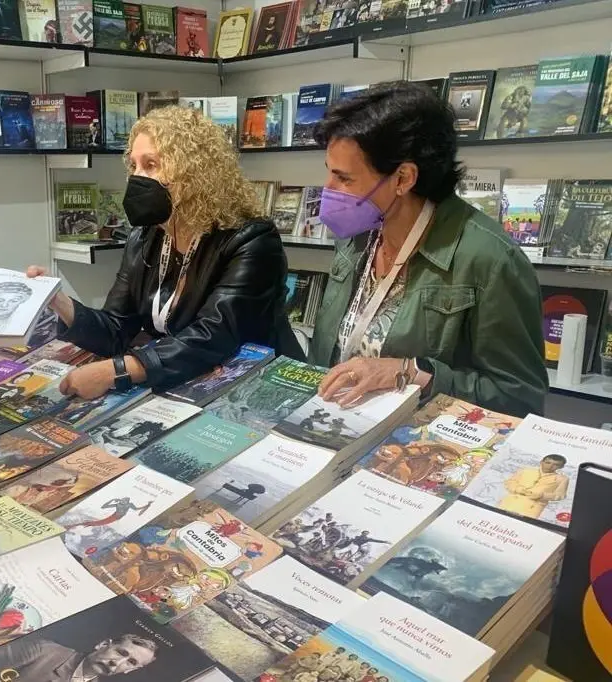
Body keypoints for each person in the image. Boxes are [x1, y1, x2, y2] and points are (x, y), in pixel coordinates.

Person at [307, 81, 546, 417]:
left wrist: (411, 372)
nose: (328, 190)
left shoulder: (490, 259)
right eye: (329, 174)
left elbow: (519, 397)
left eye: (344, 179)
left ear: (403, 178)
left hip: (419, 444)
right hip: (337, 425)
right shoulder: (358, 235)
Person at [28, 106, 302, 399]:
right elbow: (117, 326)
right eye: (133, 165)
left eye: (151, 164)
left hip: (258, 386)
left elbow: (214, 336)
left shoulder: (252, 239)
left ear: (194, 171)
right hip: (186, 379)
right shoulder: (145, 236)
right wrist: (59, 302)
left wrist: (116, 370)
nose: (137, 177)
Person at [0, 632, 158, 681]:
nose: (117, 662)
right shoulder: (43, 650)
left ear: (131, 670)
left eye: (130, 662)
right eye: (121, 652)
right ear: (103, 645)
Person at [498, 454, 569, 518]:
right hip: (510, 502)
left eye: (556, 465)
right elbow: (510, 482)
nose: (550, 466)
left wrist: (542, 495)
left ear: (561, 467)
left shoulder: (562, 479)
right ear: (541, 462)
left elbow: (560, 495)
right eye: (548, 462)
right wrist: (518, 489)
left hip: (533, 507)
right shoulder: (526, 470)